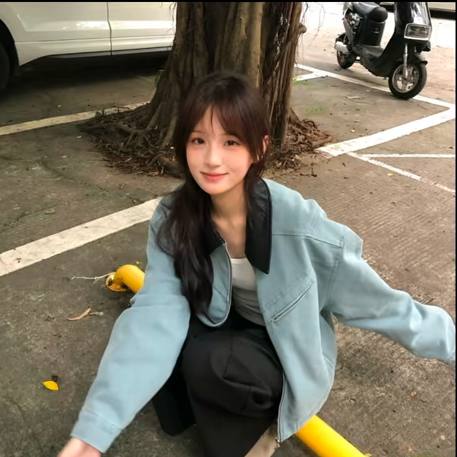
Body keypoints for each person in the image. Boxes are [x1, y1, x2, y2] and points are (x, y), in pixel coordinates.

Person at [58, 72, 455, 457]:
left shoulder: (302, 227)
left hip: (284, 346)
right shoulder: (173, 217)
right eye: (198, 140)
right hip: (223, 319)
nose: (212, 159)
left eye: (231, 141)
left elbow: (382, 306)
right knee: (170, 345)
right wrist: (93, 434)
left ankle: (264, 431)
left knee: (210, 362)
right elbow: (154, 314)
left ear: (259, 148)